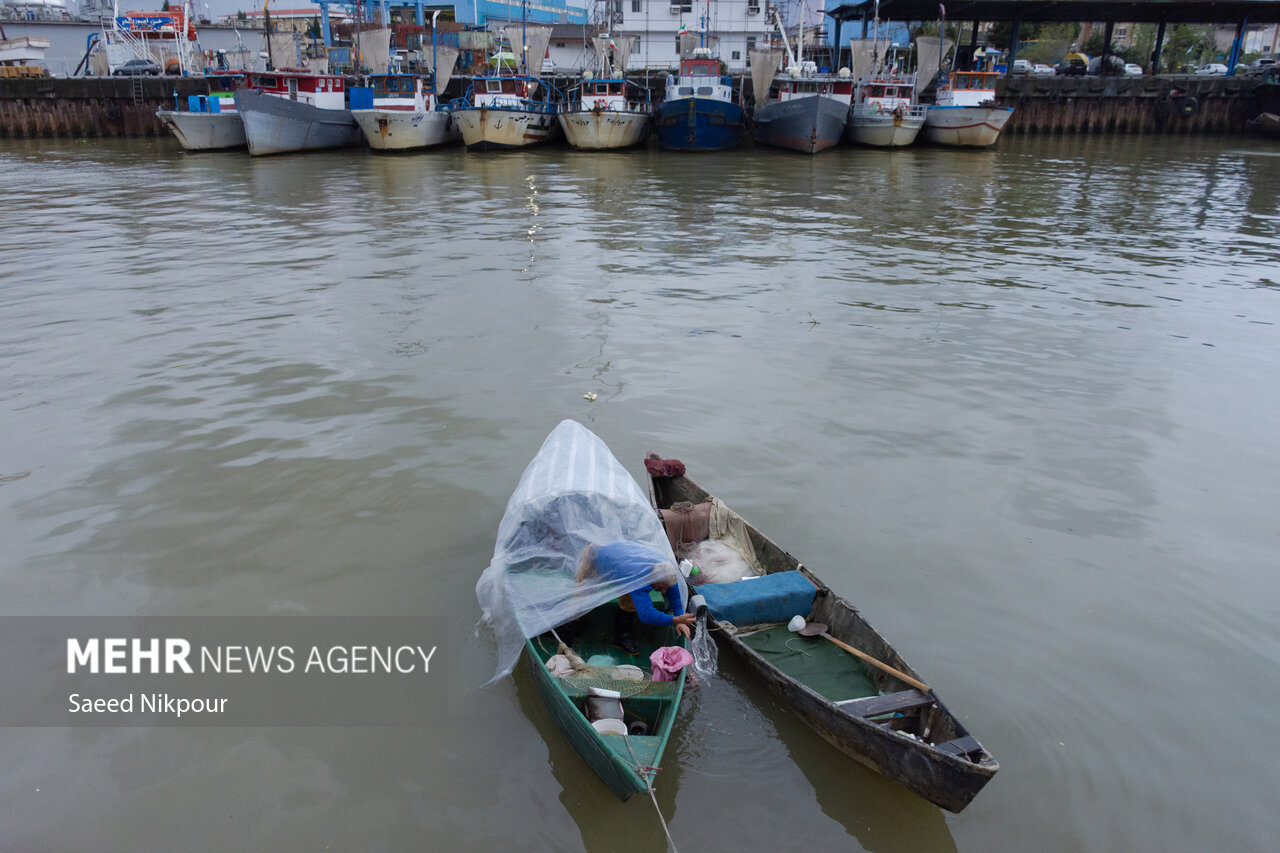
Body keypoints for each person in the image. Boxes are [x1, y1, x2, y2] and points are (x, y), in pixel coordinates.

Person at [577, 542, 696, 655]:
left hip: (621, 557)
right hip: (594, 555)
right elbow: (646, 614)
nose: (664, 592)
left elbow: (673, 592)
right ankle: (569, 633)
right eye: (661, 587)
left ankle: (620, 639)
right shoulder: (638, 579)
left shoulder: (666, 570)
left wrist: (680, 616)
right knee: (582, 598)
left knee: (629, 602)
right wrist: (675, 620)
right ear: (653, 579)